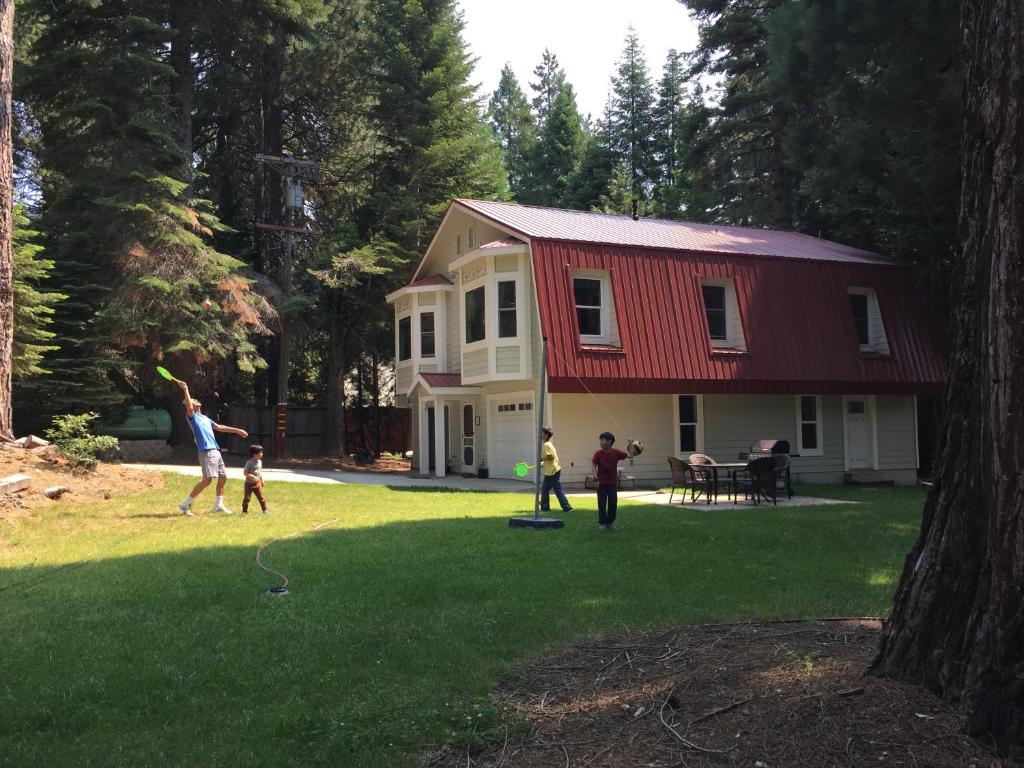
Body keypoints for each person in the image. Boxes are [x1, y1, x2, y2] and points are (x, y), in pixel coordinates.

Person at [175, 379, 248, 516]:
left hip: (215, 449)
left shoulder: (204, 418)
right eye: (192, 400)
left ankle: (218, 505)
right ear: (189, 404)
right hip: (206, 450)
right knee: (207, 480)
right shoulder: (192, 417)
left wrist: (237, 430)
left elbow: (219, 427)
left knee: (223, 477)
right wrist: (185, 389)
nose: (196, 400)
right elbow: (189, 407)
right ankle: (184, 504)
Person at [592, 431, 629, 529]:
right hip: (601, 484)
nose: (600, 442)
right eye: (600, 440)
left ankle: (610, 522)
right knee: (602, 504)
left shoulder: (616, 452)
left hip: (612, 484)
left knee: (613, 504)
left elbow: (631, 455)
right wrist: (595, 478)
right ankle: (602, 523)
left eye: (602, 440)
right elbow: (593, 465)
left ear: (609, 441)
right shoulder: (598, 453)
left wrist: (630, 443)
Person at [539, 427, 573, 513]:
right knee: (546, 489)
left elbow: (550, 457)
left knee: (555, 490)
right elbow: (551, 458)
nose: (540, 434)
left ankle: (566, 507)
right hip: (553, 470)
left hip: (552, 471)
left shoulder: (546, 445)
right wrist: (543, 463)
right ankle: (545, 507)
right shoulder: (549, 444)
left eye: (542, 433)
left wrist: (541, 459)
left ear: (546, 435)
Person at [242, 444, 270, 515]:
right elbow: (245, 473)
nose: (262, 454)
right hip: (249, 484)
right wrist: (252, 476)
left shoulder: (260, 462)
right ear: (254, 454)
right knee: (247, 498)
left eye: (262, 452)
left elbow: (259, 472)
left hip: (257, 484)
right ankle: (244, 511)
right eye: (260, 452)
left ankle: (265, 510)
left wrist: (262, 480)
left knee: (261, 497)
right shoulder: (249, 463)